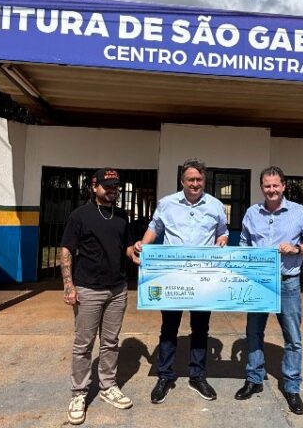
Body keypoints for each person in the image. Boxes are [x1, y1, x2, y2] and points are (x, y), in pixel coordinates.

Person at [132, 158, 229, 404]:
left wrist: (223, 240)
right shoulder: (167, 203)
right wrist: (144, 243)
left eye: (199, 179)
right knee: (169, 328)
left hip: (202, 277)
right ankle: (165, 376)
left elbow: (222, 231)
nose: (195, 184)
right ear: (182, 181)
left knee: (200, 328)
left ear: (204, 180)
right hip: (172, 276)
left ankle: (198, 376)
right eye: (190, 180)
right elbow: (155, 227)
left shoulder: (216, 205)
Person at [234, 166, 303, 415]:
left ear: (283, 186)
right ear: (262, 187)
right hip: (259, 282)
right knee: (253, 332)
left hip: (287, 282)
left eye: (275, 185)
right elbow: (244, 243)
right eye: (267, 186)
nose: (271, 190)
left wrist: (297, 248)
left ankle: (292, 387)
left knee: (292, 337)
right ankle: (254, 379)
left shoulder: (299, 212)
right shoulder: (252, 213)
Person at [60, 168, 134, 425]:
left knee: (110, 342)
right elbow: (67, 250)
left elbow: (126, 248)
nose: (113, 190)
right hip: (88, 289)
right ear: (94, 187)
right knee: (83, 345)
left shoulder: (122, 216)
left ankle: (108, 386)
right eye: (107, 186)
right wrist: (69, 286)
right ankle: (79, 393)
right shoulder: (80, 215)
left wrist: (137, 254)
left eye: (115, 186)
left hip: (117, 289)